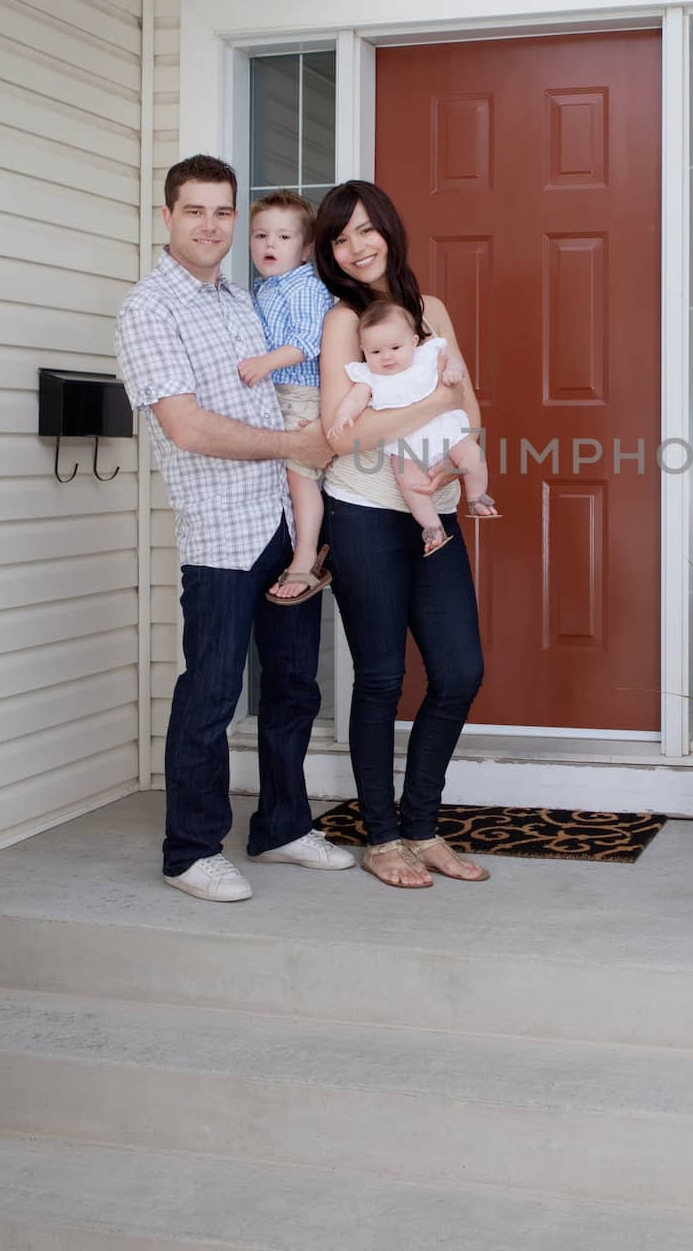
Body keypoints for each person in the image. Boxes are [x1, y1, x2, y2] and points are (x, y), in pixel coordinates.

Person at [115, 154, 354, 902]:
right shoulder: (149, 310)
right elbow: (185, 428)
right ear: (167, 217)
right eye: (196, 211)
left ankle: (281, 827)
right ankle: (190, 849)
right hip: (220, 533)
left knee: (291, 688)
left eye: (224, 211)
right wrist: (297, 445)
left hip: (283, 525)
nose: (212, 225)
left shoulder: (242, 300)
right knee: (212, 692)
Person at [315, 180, 489, 889]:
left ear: (387, 228)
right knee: (381, 678)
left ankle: (422, 826)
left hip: (435, 511)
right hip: (361, 513)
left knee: (458, 672)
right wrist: (434, 402)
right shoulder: (340, 322)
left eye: (364, 230)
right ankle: (381, 838)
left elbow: (470, 412)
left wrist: (455, 457)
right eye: (339, 237)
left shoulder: (432, 311)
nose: (356, 247)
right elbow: (345, 435)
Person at [329, 299, 499, 558]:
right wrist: (343, 414)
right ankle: (432, 528)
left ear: (414, 341)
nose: (386, 357)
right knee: (410, 484)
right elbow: (355, 399)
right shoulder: (368, 376)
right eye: (375, 352)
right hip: (405, 445)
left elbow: (452, 364)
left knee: (472, 454)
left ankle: (477, 497)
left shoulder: (428, 356)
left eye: (395, 347)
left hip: (444, 432)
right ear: (363, 350)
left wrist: (452, 372)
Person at [240, 190, 336, 603]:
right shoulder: (265, 288)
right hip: (276, 394)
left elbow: (308, 340)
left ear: (306, 250)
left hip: (300, 391)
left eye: (282, 237)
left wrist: (266, 363)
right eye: (260, 236)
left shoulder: (305, 287)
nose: (269, 245)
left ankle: (305, 556)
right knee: (284, 474)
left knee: (300, 476)